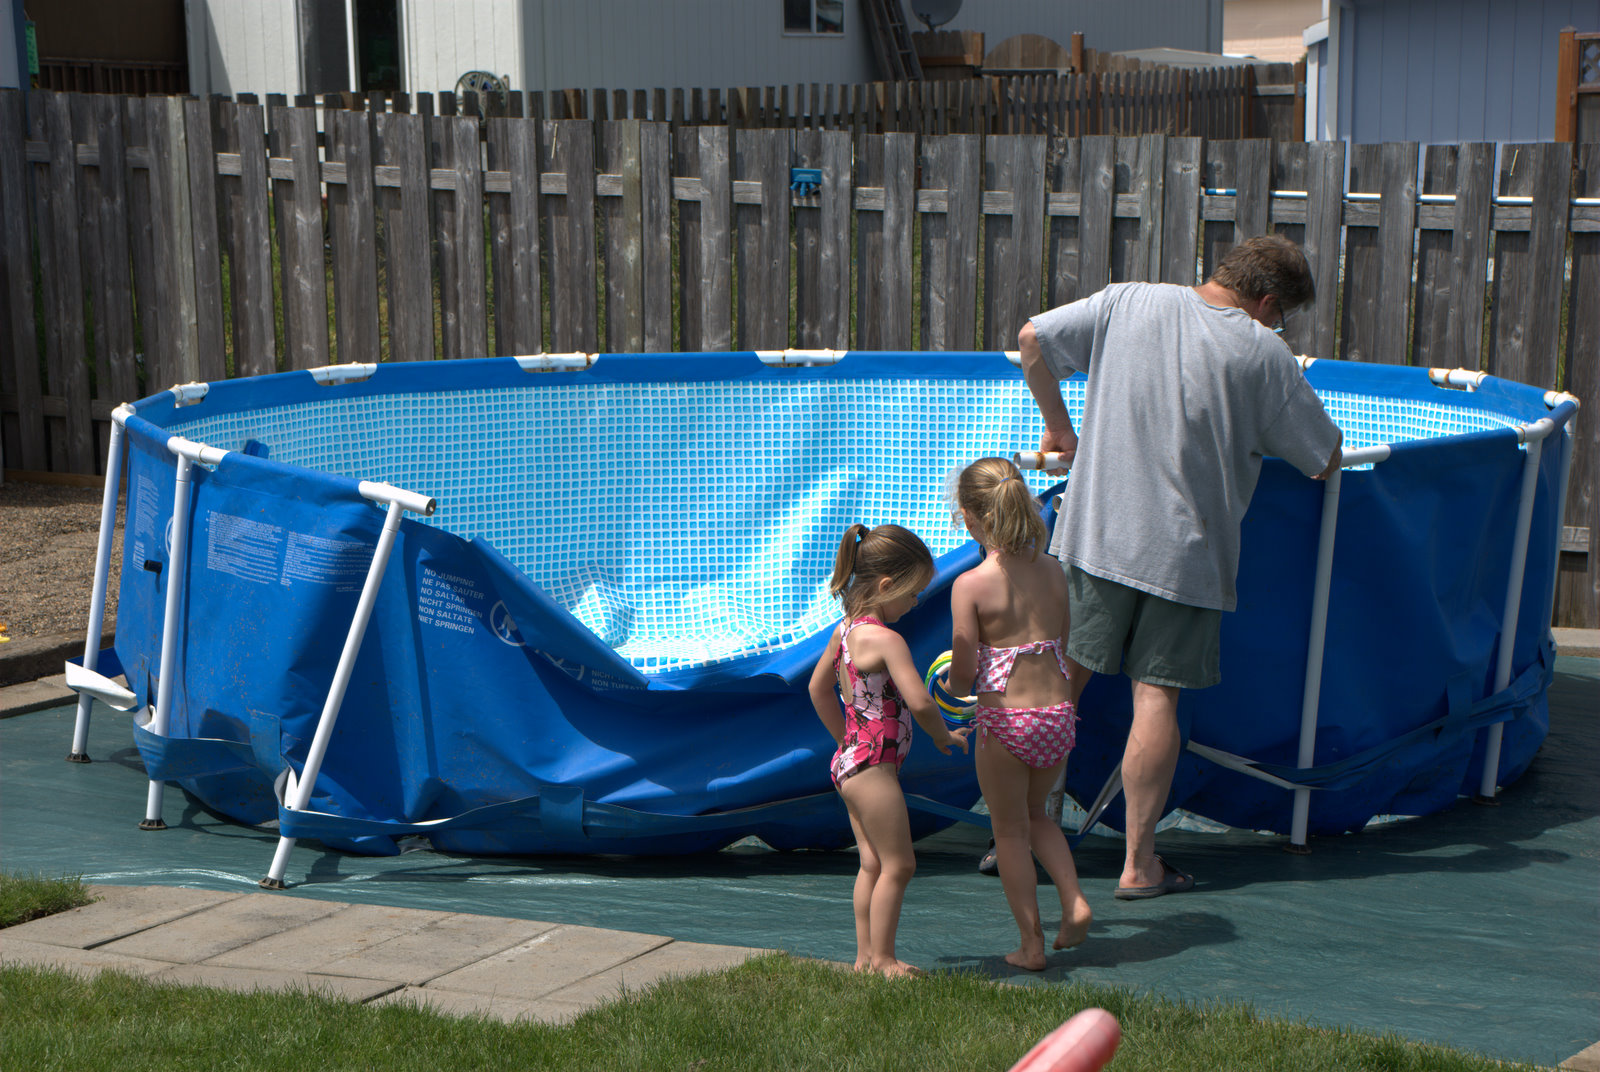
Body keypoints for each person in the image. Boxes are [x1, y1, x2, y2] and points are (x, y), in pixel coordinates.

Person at [1018, 233, 1343, 900]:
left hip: (1097, 532)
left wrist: (1059, 428)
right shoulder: (1265, 353)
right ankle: (1139, 866)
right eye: (1282, 317)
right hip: (1186, 556)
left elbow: (1032, 341)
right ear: (1267, 302)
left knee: (1062, 681)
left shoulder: (1125, 302)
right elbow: (1324, 458)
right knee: (1155, 698)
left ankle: (1022, 836)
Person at [943, 457, 1094, 970]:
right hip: (1057, 715)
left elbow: (965, 671)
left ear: (968, 518)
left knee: (1009, 831)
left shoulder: (970, 585)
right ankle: (1073, 900)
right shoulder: (1052, 569)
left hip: (1007, 723)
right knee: (1038, 817)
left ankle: (1031, 946)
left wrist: (948, 686)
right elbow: (1063, 644)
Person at [807, 523, 971, 977]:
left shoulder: (844, 632)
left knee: (872, 864)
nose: (915, 602)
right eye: (912, 593)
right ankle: (884, 960)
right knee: (899, 864)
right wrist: (943, 736)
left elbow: (817, 689)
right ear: (885, 586)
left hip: (850, 763)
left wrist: (846, 740)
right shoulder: (886, 639)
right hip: (873, 767)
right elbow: (920, 701)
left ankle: (865, 960)